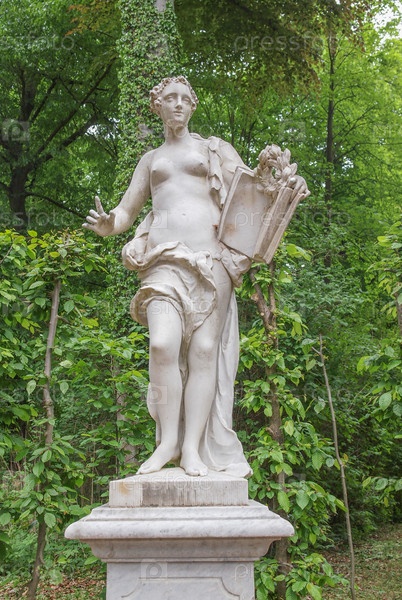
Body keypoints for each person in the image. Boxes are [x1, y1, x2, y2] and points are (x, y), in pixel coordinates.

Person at [83, 76, 304, 478]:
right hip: (163, 258)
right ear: (158, 106)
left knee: (204, 352)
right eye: (170, 98)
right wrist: (108, 224)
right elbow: (126, 212)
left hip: (212, 259)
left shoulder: (213, 149)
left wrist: (281, 178)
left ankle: (191, 449)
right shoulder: (151, 160)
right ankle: (167, 441)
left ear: (193, 106)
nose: (178, 104)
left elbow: (254, 192)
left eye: (185, 98)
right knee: (162, 344)